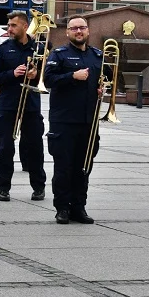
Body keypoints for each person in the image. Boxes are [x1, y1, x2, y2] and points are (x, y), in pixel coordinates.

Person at [44, 16, 104, 224]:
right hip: (64, 121)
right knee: (63, 167)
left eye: (82, 28)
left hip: (89, 121)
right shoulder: (59, 55)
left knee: (84, 166)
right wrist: (72, 76)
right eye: (74, 28)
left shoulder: (98, 55)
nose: (79, 31)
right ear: (68, 32)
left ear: (88, 31)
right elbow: (48, 80)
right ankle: (62, 208)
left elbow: (109, 79)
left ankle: (79, 207)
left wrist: (102, 88)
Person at [0, 11, 47, 203]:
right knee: (5, 148)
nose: (9, 29)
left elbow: (47, 76)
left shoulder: (38, 48)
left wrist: (36, 75)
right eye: (9, 25)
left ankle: (39, 187)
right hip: (8, 104)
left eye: (13, 25)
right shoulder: (3, 49)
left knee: (35, 148)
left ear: (24, 26)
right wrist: (12, 73)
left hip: (31, 105)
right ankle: (2, 187)